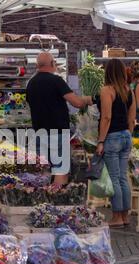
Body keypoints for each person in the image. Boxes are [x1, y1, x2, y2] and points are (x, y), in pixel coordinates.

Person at [26, 51, 93, 186]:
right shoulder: (56, 80)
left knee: (42, 171)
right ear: (52, 64)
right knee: (60, 170)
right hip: (58, 133)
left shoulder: (31, 83)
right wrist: (87, 99)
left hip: (39, 133)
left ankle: (43, 202)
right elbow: (77, 103)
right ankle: (57, 201)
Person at [96, 59, 136, 227]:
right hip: (126, 135)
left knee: (113, 179)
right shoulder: (129, 91)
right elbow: (132, 119)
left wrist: (100, 141)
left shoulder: (107, 90)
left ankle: (117, 217)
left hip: (111, 136)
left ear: (108, 72)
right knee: (123, 178)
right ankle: (125, 216)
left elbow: (106, 117)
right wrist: (127, 136)